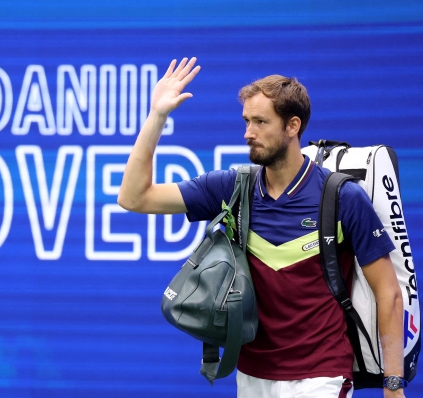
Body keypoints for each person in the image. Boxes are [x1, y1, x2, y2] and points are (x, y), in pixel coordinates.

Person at [117, 57, 406, 398]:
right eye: (246, 121)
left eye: (260, 122)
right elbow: (135, 197)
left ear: (292, 126)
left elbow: (388, 294)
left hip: (320, 376)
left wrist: (393, 384)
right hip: (251, 375)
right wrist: (157, 116)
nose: (247, 133)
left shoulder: (344, 198)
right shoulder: (232, 187)